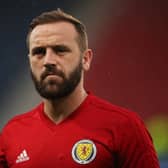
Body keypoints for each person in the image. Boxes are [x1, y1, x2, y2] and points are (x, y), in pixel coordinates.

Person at [0, 9, 160, 168]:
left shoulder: (125, 128)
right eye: (39, 52)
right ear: (30, 61)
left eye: (60, 50)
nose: (48, 60)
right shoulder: (12, 134)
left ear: (85, 59)